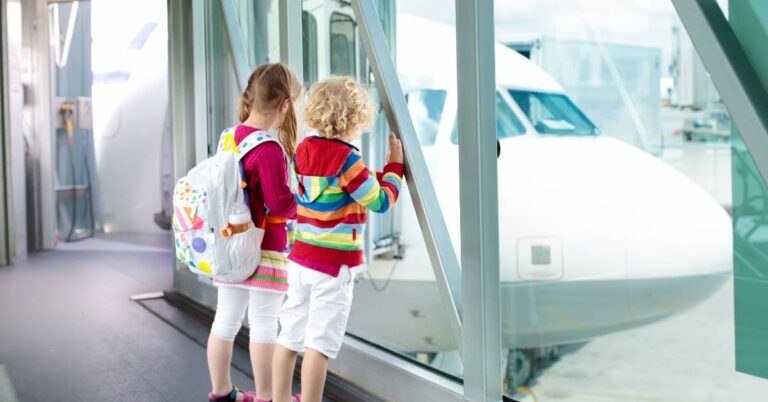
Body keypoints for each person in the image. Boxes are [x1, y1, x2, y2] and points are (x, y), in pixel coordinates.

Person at [272, 77, 405, 402]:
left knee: (289, 335)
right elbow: (380, 200)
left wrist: (372, 173)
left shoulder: (303, 150)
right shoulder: (347, 160)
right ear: (355, 119)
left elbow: (335, 185)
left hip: (300, 262)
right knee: (319, 344)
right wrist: (395, 166)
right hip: (332, 268)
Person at [207, 63, 301, 402]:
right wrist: (300, 205)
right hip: (266, 249)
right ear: (285, 105)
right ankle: (265, 396)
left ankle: (221, 392)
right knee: (264, 325)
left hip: (230, 245)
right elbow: (279, 204)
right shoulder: (269, 149)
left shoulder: (229, 138)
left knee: (226, 320)